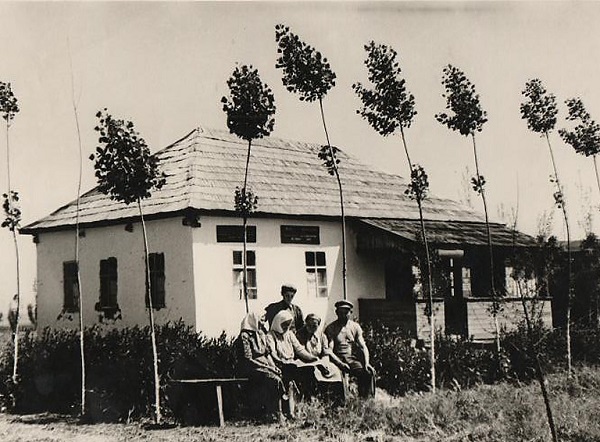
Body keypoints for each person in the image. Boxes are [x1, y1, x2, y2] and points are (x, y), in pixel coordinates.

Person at [236, 312, 283, 420]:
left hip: (264, 366)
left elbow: (267, 354)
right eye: (260, 320)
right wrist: (268, 367)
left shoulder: (260, 334)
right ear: (254, 320)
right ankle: (273, 412)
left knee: (279, 375)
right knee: (274, 379)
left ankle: (278, 411)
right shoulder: (245, 336)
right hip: (251, 368)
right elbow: (248, 359)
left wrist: (273, 366)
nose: (262, 323)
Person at [325, 300, 376, 399]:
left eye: (346, 313)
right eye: (341, 313)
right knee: (340, 377)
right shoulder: (331, 328)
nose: (343, 315)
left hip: (351, 359)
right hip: (337, 360)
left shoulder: (355, 327)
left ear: (350, 313)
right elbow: (329, 350)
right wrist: (340, 363)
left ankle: (365, 400)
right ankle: (343, 403)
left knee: (367, 373)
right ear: (336, 313)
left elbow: (363, 346)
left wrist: (366, 363)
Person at [296, 313, 343, 397]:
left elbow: (325, 352)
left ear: (318, 325)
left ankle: (337, 400)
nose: (311, 328)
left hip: (319, 361)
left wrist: (325, 362)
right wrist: (314, 359)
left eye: (314, 326)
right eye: (309, 325)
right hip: (305, 361)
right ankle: (315, 397)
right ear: (305, 323)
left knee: (335, 370)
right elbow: (301, 351)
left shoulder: (322, 336)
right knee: (313, 371)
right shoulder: (300, 334)